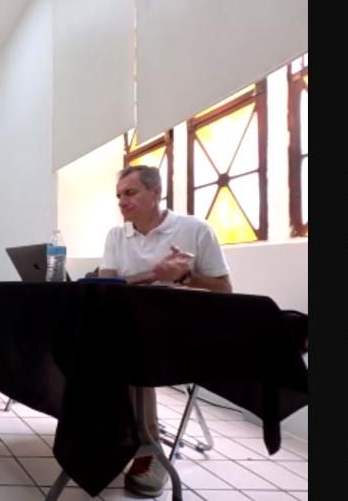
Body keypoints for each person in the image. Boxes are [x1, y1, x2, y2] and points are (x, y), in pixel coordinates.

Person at [97, 165, 232, 497]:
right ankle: (109, 432)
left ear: (156, 192)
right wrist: (153, 275)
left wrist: (186, 278)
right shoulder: (117, 235)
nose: (122, 201)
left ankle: (150, 447)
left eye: (131, 193)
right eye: (119, 195)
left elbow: (225, 290)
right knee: (87, 339)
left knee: (129, 349)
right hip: (134, 329)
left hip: (183, 334)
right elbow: (105, 288)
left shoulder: (195, 229)